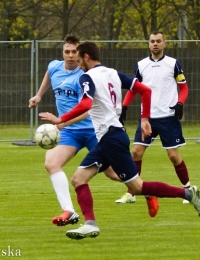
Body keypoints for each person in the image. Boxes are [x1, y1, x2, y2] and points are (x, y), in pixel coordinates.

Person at [39, 40, 200, 240]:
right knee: (79, 179)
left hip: (111, 139)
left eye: (79, 57)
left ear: (86, 57)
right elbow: (145, 90)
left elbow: (85, 104)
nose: (78, 61)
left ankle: (187, 194)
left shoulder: (86, 77)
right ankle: (90, 223)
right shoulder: (113, 73)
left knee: (137, 187)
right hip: (112, 137)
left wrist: (61, 119)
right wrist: (144, 118)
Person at [29, 34, 119, 227]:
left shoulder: (85, 77)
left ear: (80, 54)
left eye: (73, 52)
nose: (70, 56)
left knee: (114, 173)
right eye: (67, 52)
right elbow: (49, 73)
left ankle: (145, 190)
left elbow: (88, 111)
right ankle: (69, 210)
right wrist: (38, 95)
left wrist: (62, 122)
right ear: (62, 52)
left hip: (92, 131)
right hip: (70, 133)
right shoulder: (55, 66)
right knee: (51, 163)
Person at [116, 31, 191, 207]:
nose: (155, 44)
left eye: (158, 41)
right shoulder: (141, 65)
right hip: (147, 118)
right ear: (148, 44)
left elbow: (184, 88)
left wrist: (180, 103)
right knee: (135, 152)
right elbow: (135, 88)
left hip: (168, 117)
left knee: (173, 155)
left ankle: (188, 189)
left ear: (164, 44)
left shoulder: (173, 64)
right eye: (152, 41)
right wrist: (124, 106)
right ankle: (131, 192)